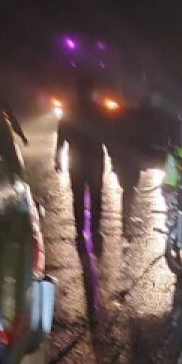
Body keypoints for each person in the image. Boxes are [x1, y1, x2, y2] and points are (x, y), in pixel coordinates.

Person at [54, 75, 108, 250]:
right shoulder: (98, 110)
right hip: (93, 158)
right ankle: (94, 230)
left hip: (78, 158)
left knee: (79, 197)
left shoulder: (70, 109)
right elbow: (108, 136)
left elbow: (61, 135)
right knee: (95, 195)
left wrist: (58, 157)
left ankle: (80, 232)